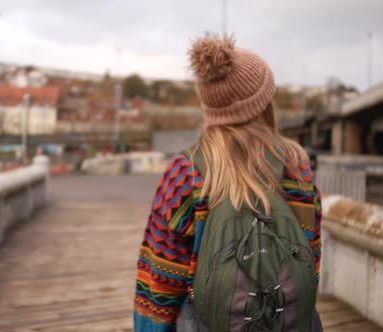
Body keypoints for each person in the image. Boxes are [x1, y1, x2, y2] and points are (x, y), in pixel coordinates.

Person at [134, 34, 322, 331]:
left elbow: (159, 281)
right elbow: (309, 261)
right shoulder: (298, 167)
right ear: (265, 102)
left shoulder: (187, 173)